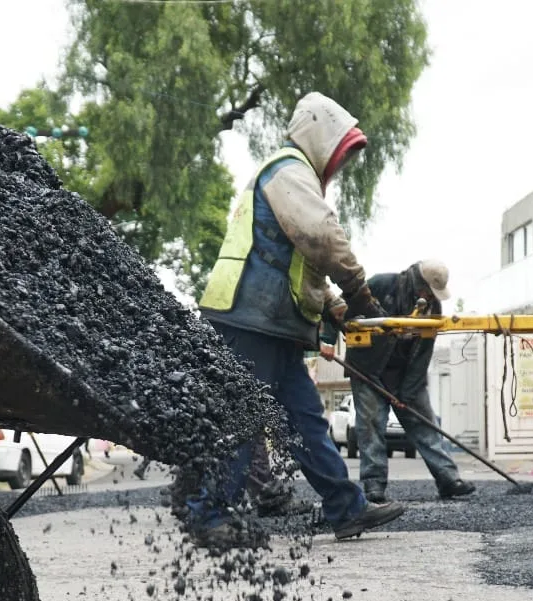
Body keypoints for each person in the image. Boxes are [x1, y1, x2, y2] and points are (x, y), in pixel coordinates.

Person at [190, 92, 405, 549]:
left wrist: (335, 305)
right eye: (342, 151)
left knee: (305, 421)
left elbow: (297, 261)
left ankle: (346, 509)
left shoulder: (292, 177)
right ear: (323, 137)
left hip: (273, 323)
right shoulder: (287, 169)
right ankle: (209, 517)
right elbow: (322, 236)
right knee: (242, 417)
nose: (342, 165)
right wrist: (358, 289)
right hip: (248, 318)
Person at [320, 260, 476, 504]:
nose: (429, 297)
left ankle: (448, 479)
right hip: (369, 369)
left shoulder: (432, 309)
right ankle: (374, 486)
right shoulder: (380, 285)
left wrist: (408, 393)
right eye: (427, 291)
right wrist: (327, 339)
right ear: (418, 283)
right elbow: (338, 308)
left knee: (426, 425)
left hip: (405, 374)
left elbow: (423, 353)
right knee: (371, 427)